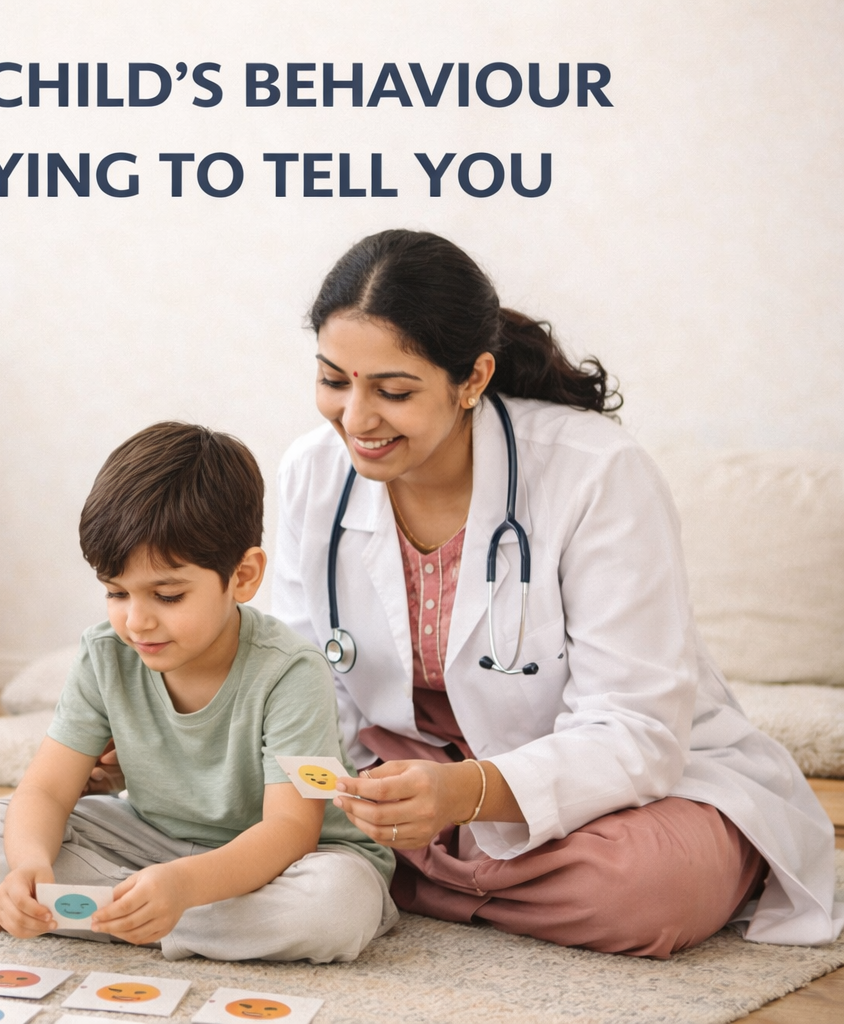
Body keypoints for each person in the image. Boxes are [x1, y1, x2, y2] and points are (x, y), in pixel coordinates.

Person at [270, 229, 841, 955]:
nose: (355, 418)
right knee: (245, 817)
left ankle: (419, 879)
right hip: (410, 769)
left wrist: (466, 795)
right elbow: (301, 678)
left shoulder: (596, 473)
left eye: (394, 390)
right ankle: (444, 869)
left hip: (603, 781)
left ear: (472, 378)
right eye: (333, 380)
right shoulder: (312, 472)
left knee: (646, 887)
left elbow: (634, 728)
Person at [0, 422, 396, 963]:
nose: (137, 621)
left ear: (244, 576)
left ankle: (119, 914)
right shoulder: (105, 655)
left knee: (333, 907)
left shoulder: (290, 671)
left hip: (291, 858)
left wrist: (184, 887)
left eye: (167, 594)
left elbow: (289, 831)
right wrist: (27, 868)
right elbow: (44, 789)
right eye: (116, 592)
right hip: (150, 838)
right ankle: (153, 915)